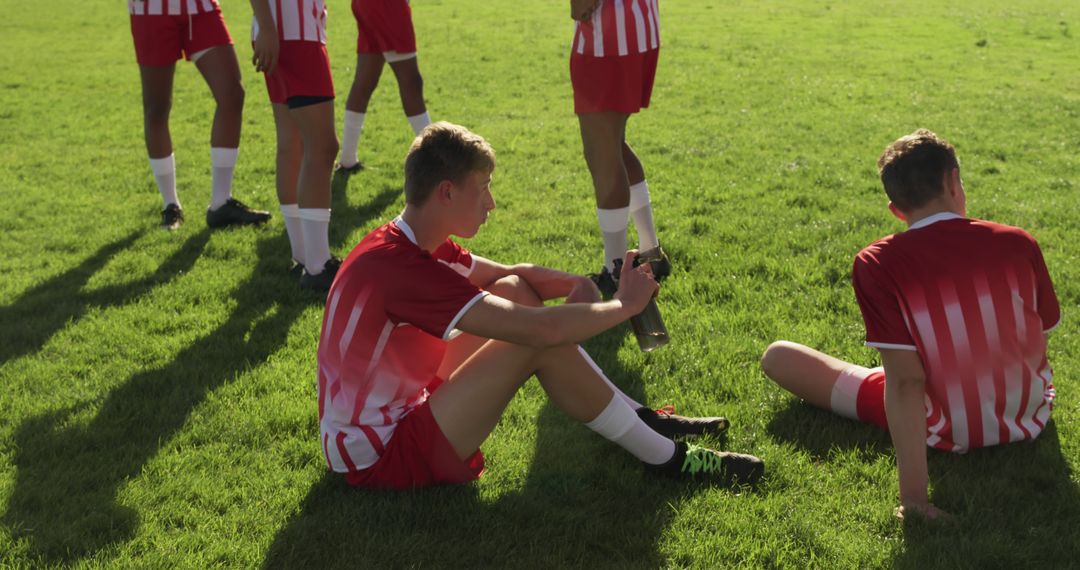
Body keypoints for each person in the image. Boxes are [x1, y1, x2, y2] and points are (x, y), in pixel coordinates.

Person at [316, 122, 763, 489]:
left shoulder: (409, 238)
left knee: (513, 290)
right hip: (377, 453)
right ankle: (667, 459)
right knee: (535, 340)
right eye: (483, 189)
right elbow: (540, 332)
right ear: (447, 193)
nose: (491, 203)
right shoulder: (404, 269)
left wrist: (578, 283)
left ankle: (645, 422)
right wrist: (624, 305)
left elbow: (511, 275)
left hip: (396, 410)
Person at [760, 129, 1061, 520]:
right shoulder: (1019, 242)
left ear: (896, 210)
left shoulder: (878, 262)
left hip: (945, 429)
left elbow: (905, 383)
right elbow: (1040, 336)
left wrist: (914, 499)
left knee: (778, 356)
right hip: (1030, 415)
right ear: (954, 181)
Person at [129, 0, 271, 230]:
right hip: (151, 10)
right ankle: (170, 205)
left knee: (232, 94)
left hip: (201, 7)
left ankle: (221, 202)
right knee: (157, 107)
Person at [569, 0, 669, 294]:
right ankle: (652, 253)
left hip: (608, 37)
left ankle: (615, 273)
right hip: (638, 26)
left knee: (602, 155)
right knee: (613, 146)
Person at [250, 0, 341, 290]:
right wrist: (267, 26)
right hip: (293, 32)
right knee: (323, 146)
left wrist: (265, 27)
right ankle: (317, 265)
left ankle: (304, 255)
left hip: (287, 30)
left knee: (293, 144)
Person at [336, 0, 432, 173]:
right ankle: (436, 153)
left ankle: (348, 159)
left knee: (366, 78)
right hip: (386, 5)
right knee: (411, 80)